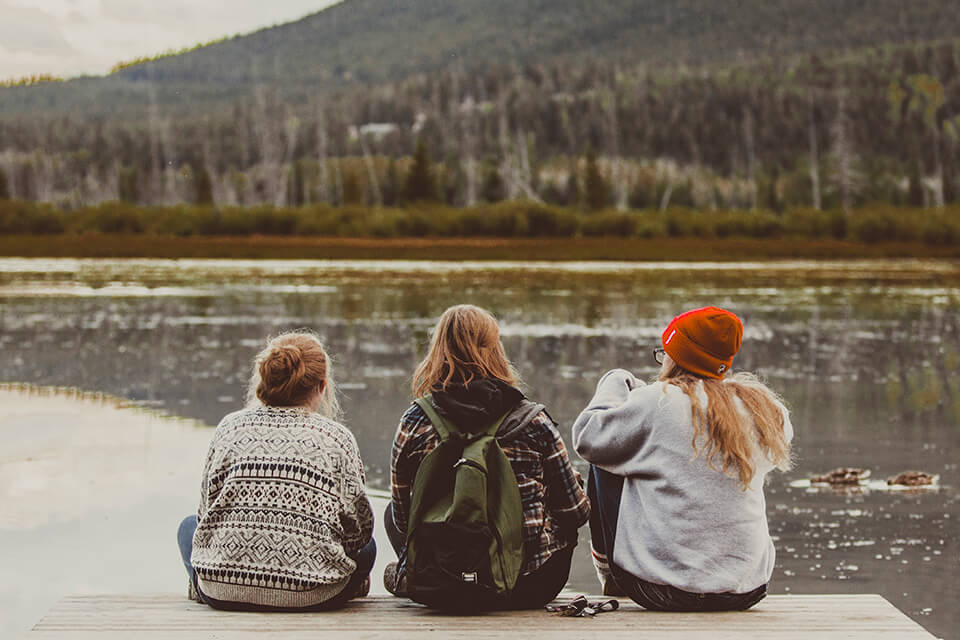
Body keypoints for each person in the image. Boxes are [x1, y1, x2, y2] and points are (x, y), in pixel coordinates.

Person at [572, 306, 793, 611]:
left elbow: (587, 437)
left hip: (664, 590)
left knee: (607, 454)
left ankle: (609, 573)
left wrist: (615, 379)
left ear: (676, 357)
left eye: (665, 353)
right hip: (747, 590)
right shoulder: (765, 409)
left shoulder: (656, 401)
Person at [384, 304, 590, 609]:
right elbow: (574, 512)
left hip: (441, 581)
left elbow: (403, 520)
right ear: (495, 350)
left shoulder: (414, 421)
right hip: (530, 585)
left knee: (392, 510)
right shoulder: (533, 420)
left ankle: (415, 573)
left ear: (438, 351)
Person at [177, 331, 375, 611]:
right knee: (369, 548)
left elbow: (205, 514)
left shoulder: (229, 428)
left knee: (188, 527)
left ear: (265, 379)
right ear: (321, 385)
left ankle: (202, 584)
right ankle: (349, 585)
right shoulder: (336, 437)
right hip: (314, 594)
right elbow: (359, 530)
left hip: (222, 590)